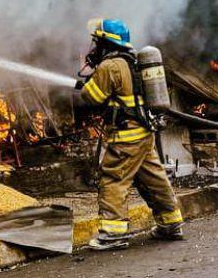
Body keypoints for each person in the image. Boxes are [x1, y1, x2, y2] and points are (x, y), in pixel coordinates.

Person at [78, 18, 185, 250]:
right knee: (154, 178)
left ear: (107, 43)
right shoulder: (133, 61)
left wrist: (84, 85)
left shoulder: (110, 66)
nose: (94, 47)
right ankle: (171, 223)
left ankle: (113, 233)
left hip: (125, 137)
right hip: (143, 134)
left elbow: (93, 98)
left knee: (113, 179)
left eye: (97, 42)